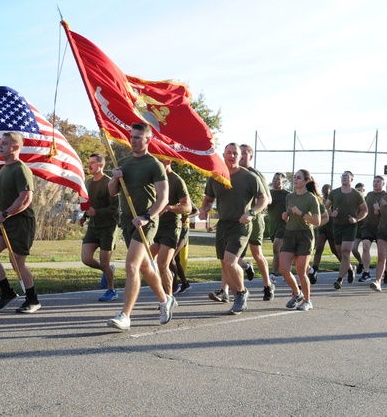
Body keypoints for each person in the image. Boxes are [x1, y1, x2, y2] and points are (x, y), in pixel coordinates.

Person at [106, 123, 177, 330]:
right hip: (127, 221)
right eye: (132, 136)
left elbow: (163, 199)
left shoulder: (154, 165)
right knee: (145, 266)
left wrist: (147, 217)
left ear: (147, 140)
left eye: (138, 137)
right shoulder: (122, 162)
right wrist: (115, 177)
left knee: (131, 266)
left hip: (146, 222)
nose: (133, 140)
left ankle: (125, 316)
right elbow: (112, 192)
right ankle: (165, 300)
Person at [200, 143, 267, 315]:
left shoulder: (249, 177)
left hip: (241, 224)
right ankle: (238, 295)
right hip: (223, 224)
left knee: (231, 261)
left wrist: (251, 212)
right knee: (225, 264)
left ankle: (242, 293)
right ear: (224, 154)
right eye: (229, 153)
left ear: (240, 156)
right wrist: (204, 209)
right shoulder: (216, 176)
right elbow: (208, 199)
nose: (232, 156)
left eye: (235, 153)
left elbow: (263, 199)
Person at [0, 132, 40, 314]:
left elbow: (26, 198)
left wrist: (6, 213)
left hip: (20, 221)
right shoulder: (3, 169)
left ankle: (32, 299)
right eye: (0, 143)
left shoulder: (21, 169)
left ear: (15, 147)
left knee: (17, 263)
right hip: (3, 220)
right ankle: (7, 293)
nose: (0, 146)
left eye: (4, 144)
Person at [78, 153, 120, 302]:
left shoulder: (109, 183)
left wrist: (97, 212)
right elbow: (89, 205)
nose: (89, 165)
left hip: (108, 227)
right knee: (86, 258)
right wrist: (85, 216)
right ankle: (108, 269)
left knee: (104, 261)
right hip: (93, 227)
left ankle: (112, 290)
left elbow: (115, 209)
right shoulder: (88, 183)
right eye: (89, 162)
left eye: (93, 163)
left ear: (101, 165)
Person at [281, 169, 324, 311]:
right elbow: (288, 213)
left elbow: (317, 221)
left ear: (306, 181)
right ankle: (297, 293)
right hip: (289, 234)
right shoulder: (289, 197)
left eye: (299, 178)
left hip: (305, 236)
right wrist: (285, 216)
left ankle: (307, 300)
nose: (295, 180)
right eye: (294, 177)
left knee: (301, 271)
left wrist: (302, 214)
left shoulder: (311, 198)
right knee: (284, 269)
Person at [237, 145, 275, 300]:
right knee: (231, 255)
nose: (241, 156)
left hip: (254, 219)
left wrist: (252, 211)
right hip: (237, 219)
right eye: (240, 153)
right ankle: (224, 291)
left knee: (257, 253)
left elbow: (268, 199)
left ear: (250, 157)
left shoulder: (255, 174)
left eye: (245, 153)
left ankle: (267, 285)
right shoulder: (232, 173)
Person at [151, 159, 191, 296]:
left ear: (168, 160)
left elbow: (188, 207)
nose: (156, 161)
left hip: (170, 227)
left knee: (163, 264)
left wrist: (170, 207)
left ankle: (168, 298)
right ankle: (163, 292)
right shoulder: (152, 177)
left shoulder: (176, 180)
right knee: (145, 262)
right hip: (153, 226)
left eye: (159, 159)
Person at [330, 171, 368, 289]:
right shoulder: (334, 192)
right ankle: (350, 268)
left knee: (346, 251)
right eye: (343, 176)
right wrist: (331, 213)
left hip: (350, 226)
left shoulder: (357, 194)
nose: (344, 178)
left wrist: (356, 219)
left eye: (347, 176)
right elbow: (325, 206)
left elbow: (365, 211)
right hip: (337, 226)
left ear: (352, 179)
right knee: (339, 252)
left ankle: (339, 279)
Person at [358, 176, 387, 282]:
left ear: (383, 184)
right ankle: (366, 272)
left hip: (381, 227)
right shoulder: (369, 195)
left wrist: (379, 210)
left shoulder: (386, 195)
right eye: (374, 181)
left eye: (378, 182)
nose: (375, 183)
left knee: (382, 252)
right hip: (368, 226)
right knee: (365, 246)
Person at [311, 183, 335, 281]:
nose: (325, 190)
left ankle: (347, 266)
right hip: (322, 228)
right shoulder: (320, 200)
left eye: (327, 189)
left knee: (335, 250)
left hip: (332, 228)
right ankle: (315, 268)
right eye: (324, 188)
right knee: (319, 248)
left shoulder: (333, 200)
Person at [268, 172, 290, 281]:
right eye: (274, 178)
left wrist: (288, 216)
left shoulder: (287, 195)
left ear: (283, 182)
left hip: (283, 226)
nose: (275, 180)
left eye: (278, 179)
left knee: (276, 248)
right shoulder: (268, 193)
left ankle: (273, 275)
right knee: (284, 252)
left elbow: (291, 208)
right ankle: (307, 270)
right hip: (272, 226)